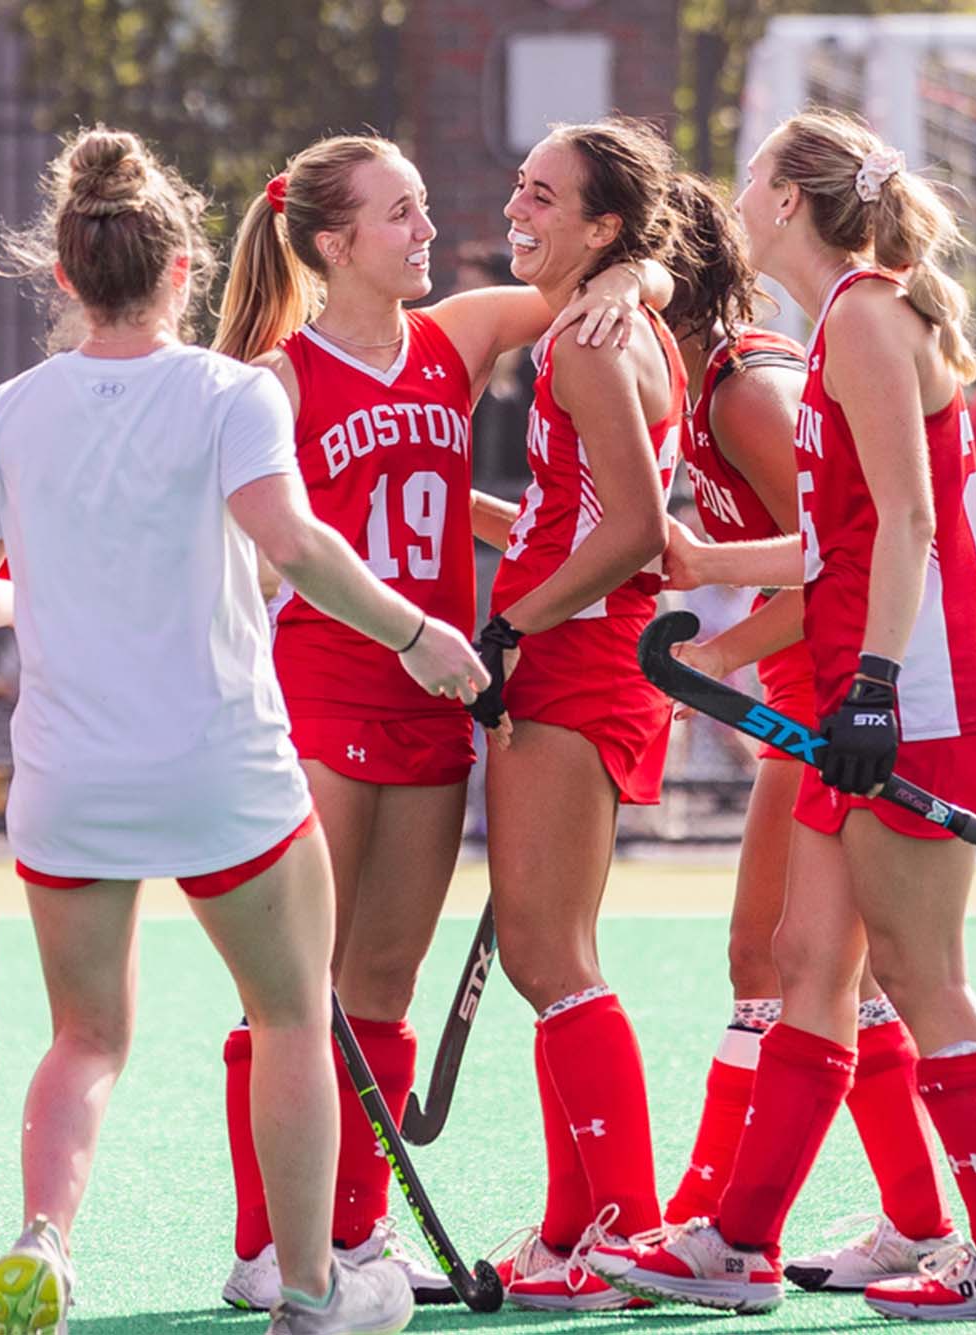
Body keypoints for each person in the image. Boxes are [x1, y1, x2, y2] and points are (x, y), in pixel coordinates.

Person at [0, 125, 486, 1332]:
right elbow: (298, 547)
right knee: (290, 1020)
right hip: (224, 773)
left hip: (69, 778)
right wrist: (417, 634)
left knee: (84, 1040)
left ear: (64, 276)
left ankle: (42, 1240)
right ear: (182, 270)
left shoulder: (9, 410)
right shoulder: (230, 390)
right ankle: (312, 1292)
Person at [210, 130, 662, 1312]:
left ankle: (354, 1239)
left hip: (437, 701)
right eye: (400, 216)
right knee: (291, 987)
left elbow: (614, 274)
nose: (427, 231)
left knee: (384, 983)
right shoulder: (278, 377)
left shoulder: (454, 337)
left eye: (420, 209)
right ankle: (269, 1247)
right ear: (332, 243)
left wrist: (620, 278)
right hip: (322, 697)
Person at [583, 109, 976, 1322]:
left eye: (755, 174)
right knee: (808, 966)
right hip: (870, 677)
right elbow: (838, 535)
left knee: (919, 978)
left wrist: (866, 685)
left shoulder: (864, 314)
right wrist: (712, 584)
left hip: (905, 686)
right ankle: (737, 1248)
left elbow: (911, 525)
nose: (737, 193)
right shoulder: (838, 325)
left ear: (790, 200)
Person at [460, 116, 687, 1312]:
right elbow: (577, 510)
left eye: (543, 195)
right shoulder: (607, 319)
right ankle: (573, 1229)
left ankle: (624, 1234)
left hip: (577, 657)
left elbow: (637, 534)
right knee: (558, 957)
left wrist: (511, 623)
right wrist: (464, 510)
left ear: (603, 227)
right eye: (519, 185)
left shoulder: (590, 344)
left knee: (552, 958)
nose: (517, 208)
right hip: (582, 646)